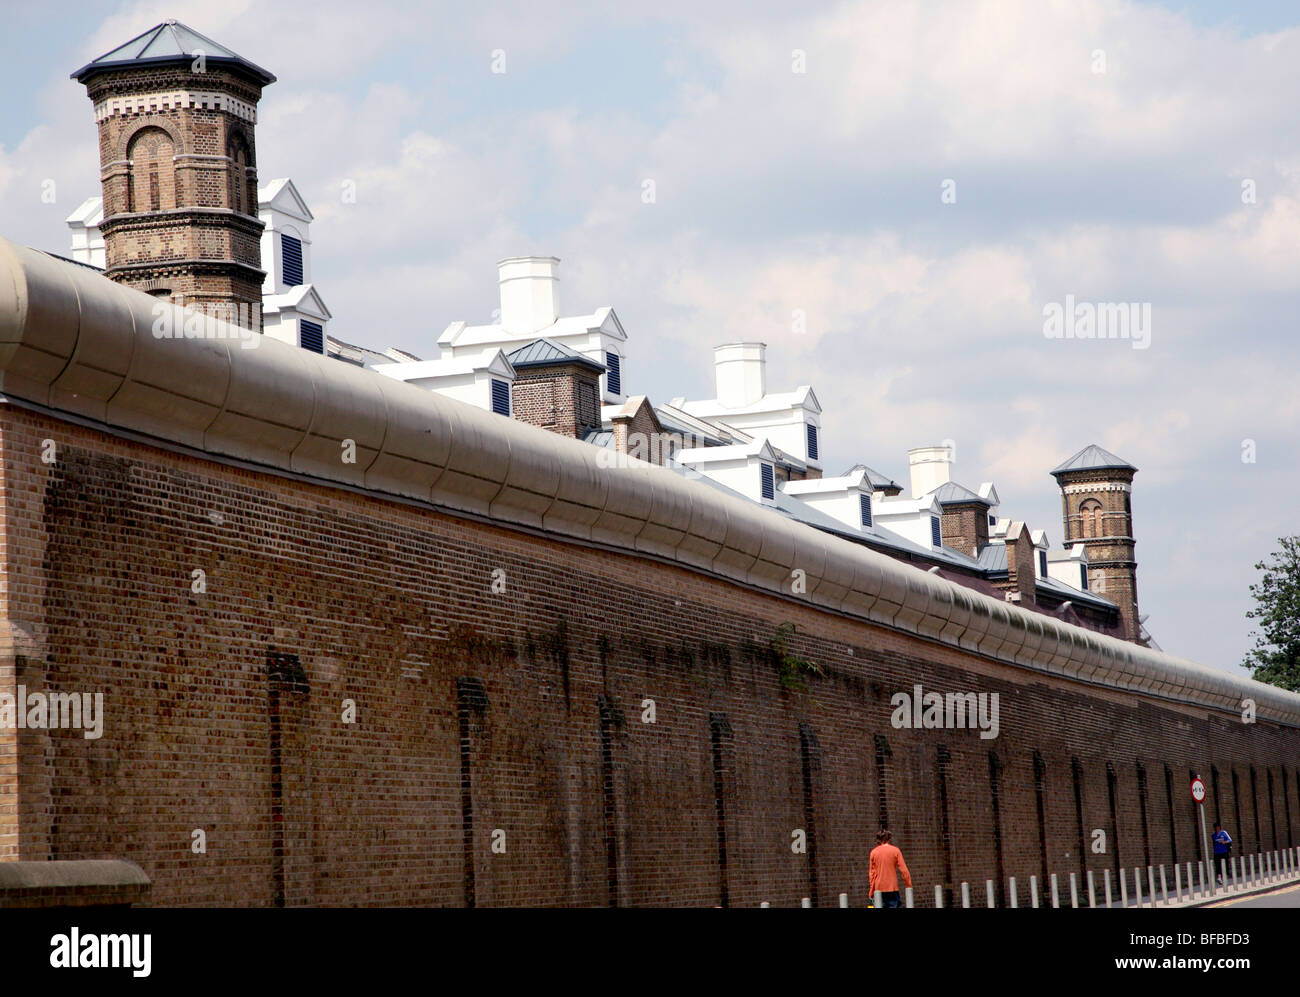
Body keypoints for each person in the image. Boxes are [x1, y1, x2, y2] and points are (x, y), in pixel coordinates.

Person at [868, 829, 912, 908]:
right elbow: (904, 870)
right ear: (889, 839)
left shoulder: (873, 852)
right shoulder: (895, 851)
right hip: (892, 887)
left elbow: (872, 875)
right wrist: (908, 885)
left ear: (878, 840)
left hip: (879, 889)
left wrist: (871, 891)